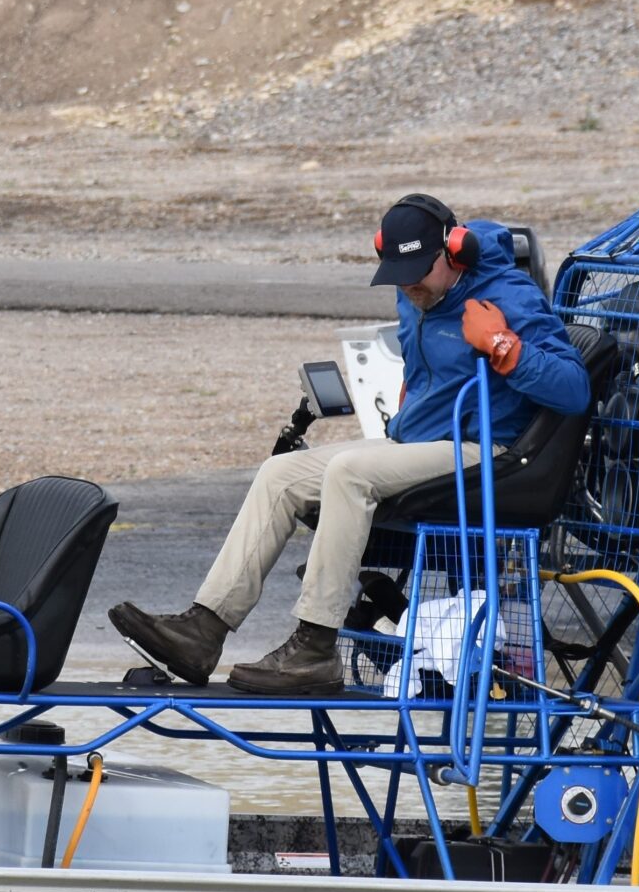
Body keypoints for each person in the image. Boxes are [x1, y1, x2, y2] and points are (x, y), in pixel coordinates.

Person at [109, 193, 589, 697]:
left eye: (417, 272)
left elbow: (574, 389)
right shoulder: (416, 290)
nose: (408, 285)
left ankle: (314, 649)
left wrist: (502, 346)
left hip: (489, 453)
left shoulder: (509, 296)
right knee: (280, 474)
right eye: (398, 272)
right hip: (417, 447)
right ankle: (202, 631)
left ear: (455, 251)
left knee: (350, 472)